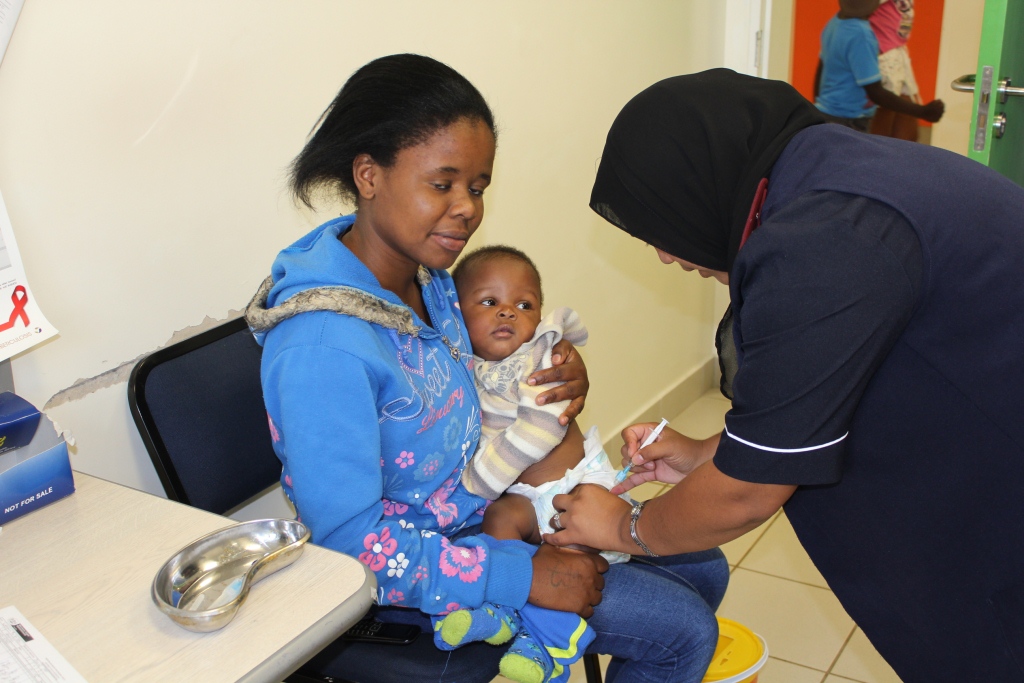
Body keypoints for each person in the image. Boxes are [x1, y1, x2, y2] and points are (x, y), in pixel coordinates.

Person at [245, 54, 728, 683]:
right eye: (442, 184)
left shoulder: (431, 281)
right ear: (369, 175)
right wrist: (521, 572)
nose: (468, 208)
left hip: (494, 506)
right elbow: (348, 545)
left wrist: (556, 372)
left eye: (477, 186)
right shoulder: (322, 348)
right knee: (684, 632)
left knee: (705, 566)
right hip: (425, 562)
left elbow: (477, 364)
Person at [544, 68, 1024, 681]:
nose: (665, 254)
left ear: (702, 182)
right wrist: (704, 454)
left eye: (661, 225)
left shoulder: (827, 241)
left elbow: (748, 493)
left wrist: (624, 525)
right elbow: (830, 393)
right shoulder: (835, 173)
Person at [437, 245, 632, 682]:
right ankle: (500, 611)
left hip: (576, 490)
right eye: (490, 302)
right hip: (526, 498)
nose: (507, 313)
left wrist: (477, 483)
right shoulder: (465, 365)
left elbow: (540, 430)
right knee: (502, 517)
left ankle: (549, 643)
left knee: (572, 557)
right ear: (456, 315)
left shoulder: (538, 360)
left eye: (523, 305)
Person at [814, 0, 942, 132]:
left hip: (827, 114)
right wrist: (923, 112)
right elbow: (876, 92)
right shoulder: (861, 34)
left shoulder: (833, 24)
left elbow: (820, 71)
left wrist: (816, 112)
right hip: (848, 122)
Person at [867, 0, 924, 140]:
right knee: (882, 124)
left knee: (907, 115)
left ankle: (904, 160)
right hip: (881, 58)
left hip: (897, 56)